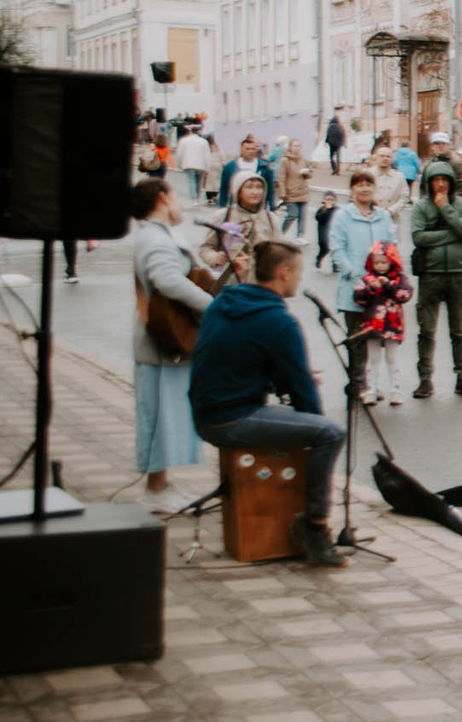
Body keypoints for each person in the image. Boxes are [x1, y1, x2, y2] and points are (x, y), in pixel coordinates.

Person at [188, 241, 344, 568]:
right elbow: (304, 396)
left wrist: (280, 379)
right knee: (329, 433)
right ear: (283, 273)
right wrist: (309, 433)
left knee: (313, 429)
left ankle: (307, 521)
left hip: (205, 412)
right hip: (232, 419)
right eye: (298, 272)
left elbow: (235, 359)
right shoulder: (278, 321)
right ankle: (313, 526)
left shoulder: (225, 302)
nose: (300, 280)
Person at [128, 179, 211, 516]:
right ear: (162, 198)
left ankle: (161, 483)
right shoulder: (154, 238)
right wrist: (212, 306)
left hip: (166, 342)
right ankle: (154, 490)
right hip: (161, 343)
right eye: (175, 196)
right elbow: (168, 280)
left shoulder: (156, 235)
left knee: (165, 414)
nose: (179, 204)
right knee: (159, 415)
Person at [326, 169, 401, 404]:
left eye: (369, 184)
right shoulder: (343, 216)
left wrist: (388, 276)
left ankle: (372, 384)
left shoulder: (383, 216)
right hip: (354, 287)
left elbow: (392, 246)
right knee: (357, 339)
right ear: (352, 189)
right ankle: (359, 383)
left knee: (377, 339)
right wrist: (355, 274)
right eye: (359, 184)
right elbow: (337, 248)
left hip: (380, 290)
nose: (364, 188)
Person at [409, 156, 462, 396]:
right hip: (431, 274)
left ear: (451, 181)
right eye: (435, 179)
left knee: (458, 330)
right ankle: (425, 379)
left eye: (444, 179)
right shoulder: (420, 206)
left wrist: (445, 210)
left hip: (459, 275)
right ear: (428, 182)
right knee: (426, 330)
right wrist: (452, 234)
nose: (440, 184)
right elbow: (419, 237)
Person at [352, 243, 412, 406]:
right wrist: (370, 289)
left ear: (392, 262)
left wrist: (387, 285)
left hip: (392, 324)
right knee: (373, 358)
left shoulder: (399, 279)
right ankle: (371, 389)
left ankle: (396, 389)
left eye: (384, 262)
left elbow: (405, 295)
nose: (380, 266)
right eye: (377, 262)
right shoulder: (367, 279)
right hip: (372, 324)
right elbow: (358, 298)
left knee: (392, 358)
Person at [201, 172, 277, 285]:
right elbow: (206, 248)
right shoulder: (223, 216)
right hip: (230, 283)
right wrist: (215, 257)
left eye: (259, 187)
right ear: (238, 190)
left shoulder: (271, 219)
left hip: (261, 283)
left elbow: (281, 254)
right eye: (249, 187)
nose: (255, 192)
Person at [274, 139, 315, 239]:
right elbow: (281, 177)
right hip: (290, 192)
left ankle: (300, 236)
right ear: (290, 147)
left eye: (299, 146)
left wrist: (307, 173)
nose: (297, 148)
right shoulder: (285, 160)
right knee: (292, 214)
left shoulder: (303, 159)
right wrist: (282, 193)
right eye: (295, 146)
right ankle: (279, 235)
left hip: (302, 191)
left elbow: (311, 173)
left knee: (302, 216)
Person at [176, 123, 212, 202]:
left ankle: (194, 198)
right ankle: (197, 196)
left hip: (188, 164)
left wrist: (179, 164)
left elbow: (179, 153)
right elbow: (207, 155)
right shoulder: (203, 141)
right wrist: (208, 167)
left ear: (190, 131)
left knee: (191, 180)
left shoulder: (184, 141)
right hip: (201, 165)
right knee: (199, 181)